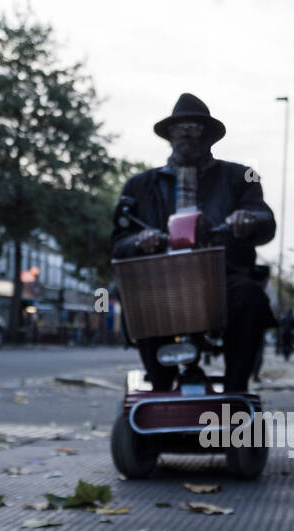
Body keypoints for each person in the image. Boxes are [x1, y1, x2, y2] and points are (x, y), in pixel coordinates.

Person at [110, 93, 276, 393]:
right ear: (170, 136)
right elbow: (119, 240)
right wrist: (140, 241)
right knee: (138, 295)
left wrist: (247, 221)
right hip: (160, 279)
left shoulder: (241, 176)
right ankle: (160, 388)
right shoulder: (138, 185)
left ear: (209, 136)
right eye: (180, 128)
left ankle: (236, 390)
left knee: (251, 297)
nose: (187, 134)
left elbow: (265, 220)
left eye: (195, 128)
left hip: (221, 277)